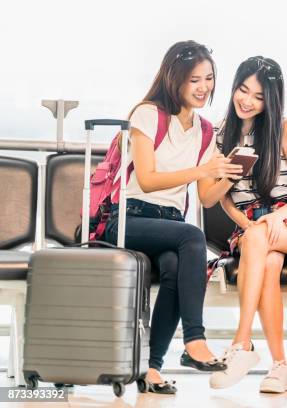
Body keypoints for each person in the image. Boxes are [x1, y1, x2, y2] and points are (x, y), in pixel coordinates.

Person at [104, 40, 243, 394]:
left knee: (175, 268)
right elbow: (148, 180)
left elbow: (208, 196)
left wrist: (228, 172)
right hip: (130, 219)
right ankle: (194, 340)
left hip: (168, 227)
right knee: (192, 236)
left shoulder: (205, 130)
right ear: (174, 79)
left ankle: (151, 368)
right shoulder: (147, 114)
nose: (203, 88)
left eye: (209, 78)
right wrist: (201, 170)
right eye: (194, 79)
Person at [210, 56, 287, 393]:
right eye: (243, 90)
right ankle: (280, 367)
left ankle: (241, 343)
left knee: (260, 240)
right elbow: (224, 198)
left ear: (271, 101)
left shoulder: (283, 129)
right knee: (269, 262)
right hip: (251, 224)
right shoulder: (222, 133)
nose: (247, 100)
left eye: (259, 96)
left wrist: (274, 217)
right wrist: (245, 225)